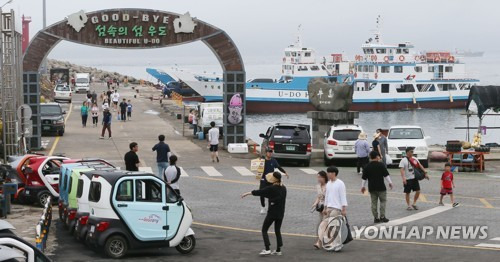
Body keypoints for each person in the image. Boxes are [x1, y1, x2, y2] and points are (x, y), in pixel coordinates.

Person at [241, 172, 287, 256]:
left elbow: (260, 192)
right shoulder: (283, 188)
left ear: (274, 179)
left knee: (264, 230)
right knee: (277, 230)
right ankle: (278, 250)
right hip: (281, 213)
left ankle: (267, 249)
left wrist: (247, 193)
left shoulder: (272, 188)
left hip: (272, 212)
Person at [361, 151, 393, 223]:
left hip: (372, 188)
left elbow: (364, 178)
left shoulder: (367, 166)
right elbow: (386, 175)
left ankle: (376, 217)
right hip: (381, 187)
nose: (379, 157)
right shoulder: (381, 165)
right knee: (383, 201)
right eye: (378, 156)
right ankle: (382, 216)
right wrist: (390, 182)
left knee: (373, 203)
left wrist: (362, 187)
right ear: (376, 157)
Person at [321, 166, 347, 249]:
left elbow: (343, 196)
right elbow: (327, 196)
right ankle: (332, 243)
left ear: (334, 173)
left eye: (329, 173)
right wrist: (325, 208)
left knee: (333, 226)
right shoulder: (328, 183)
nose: (327, 174)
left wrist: (343, 209)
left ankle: (338, 243)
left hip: (337, 208)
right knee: (327, 226)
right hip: (329, 207)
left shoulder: (340, 183)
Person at [259, 149, 289, 214]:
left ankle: (270, 207)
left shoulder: (273, 160)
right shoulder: (262, 160)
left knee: (271, 194)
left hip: (271, 180)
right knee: (261, 193)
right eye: (269, 152)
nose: (270, 154)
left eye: (271, 152)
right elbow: (256, 166)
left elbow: (278, 167)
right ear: (266, 153)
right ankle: (263, 207)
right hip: (263, 179)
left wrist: (285, 172)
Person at [312, 170, 327, 249]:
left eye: (320, 177)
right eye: (317, 177)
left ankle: (319, 242)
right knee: (320, 224)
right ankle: (321, 240)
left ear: (324, 177)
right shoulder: (318, 186)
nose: (318, 179)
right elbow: (319, 196)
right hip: (321, 208)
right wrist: (315, 203)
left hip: (328, 208)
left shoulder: (328, 186)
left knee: (323, 225)